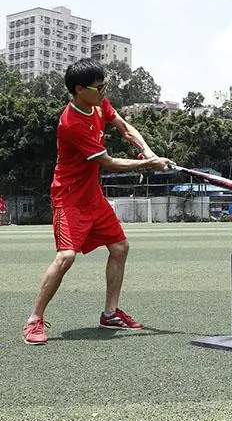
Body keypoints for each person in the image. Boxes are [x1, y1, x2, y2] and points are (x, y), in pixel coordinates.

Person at [23, 59, 173, 345]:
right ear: (79, 89)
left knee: (119, 247)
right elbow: (108, 163)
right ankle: (34, 320)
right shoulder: (71, 124)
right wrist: (148, 165)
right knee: (66, 257)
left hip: (92, 195)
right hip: (68, 197)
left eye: (106, 85)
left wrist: (147, 151)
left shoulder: (98, 104)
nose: (104, 91)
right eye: (99, 87)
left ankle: (110, 313)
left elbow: (124, 127)